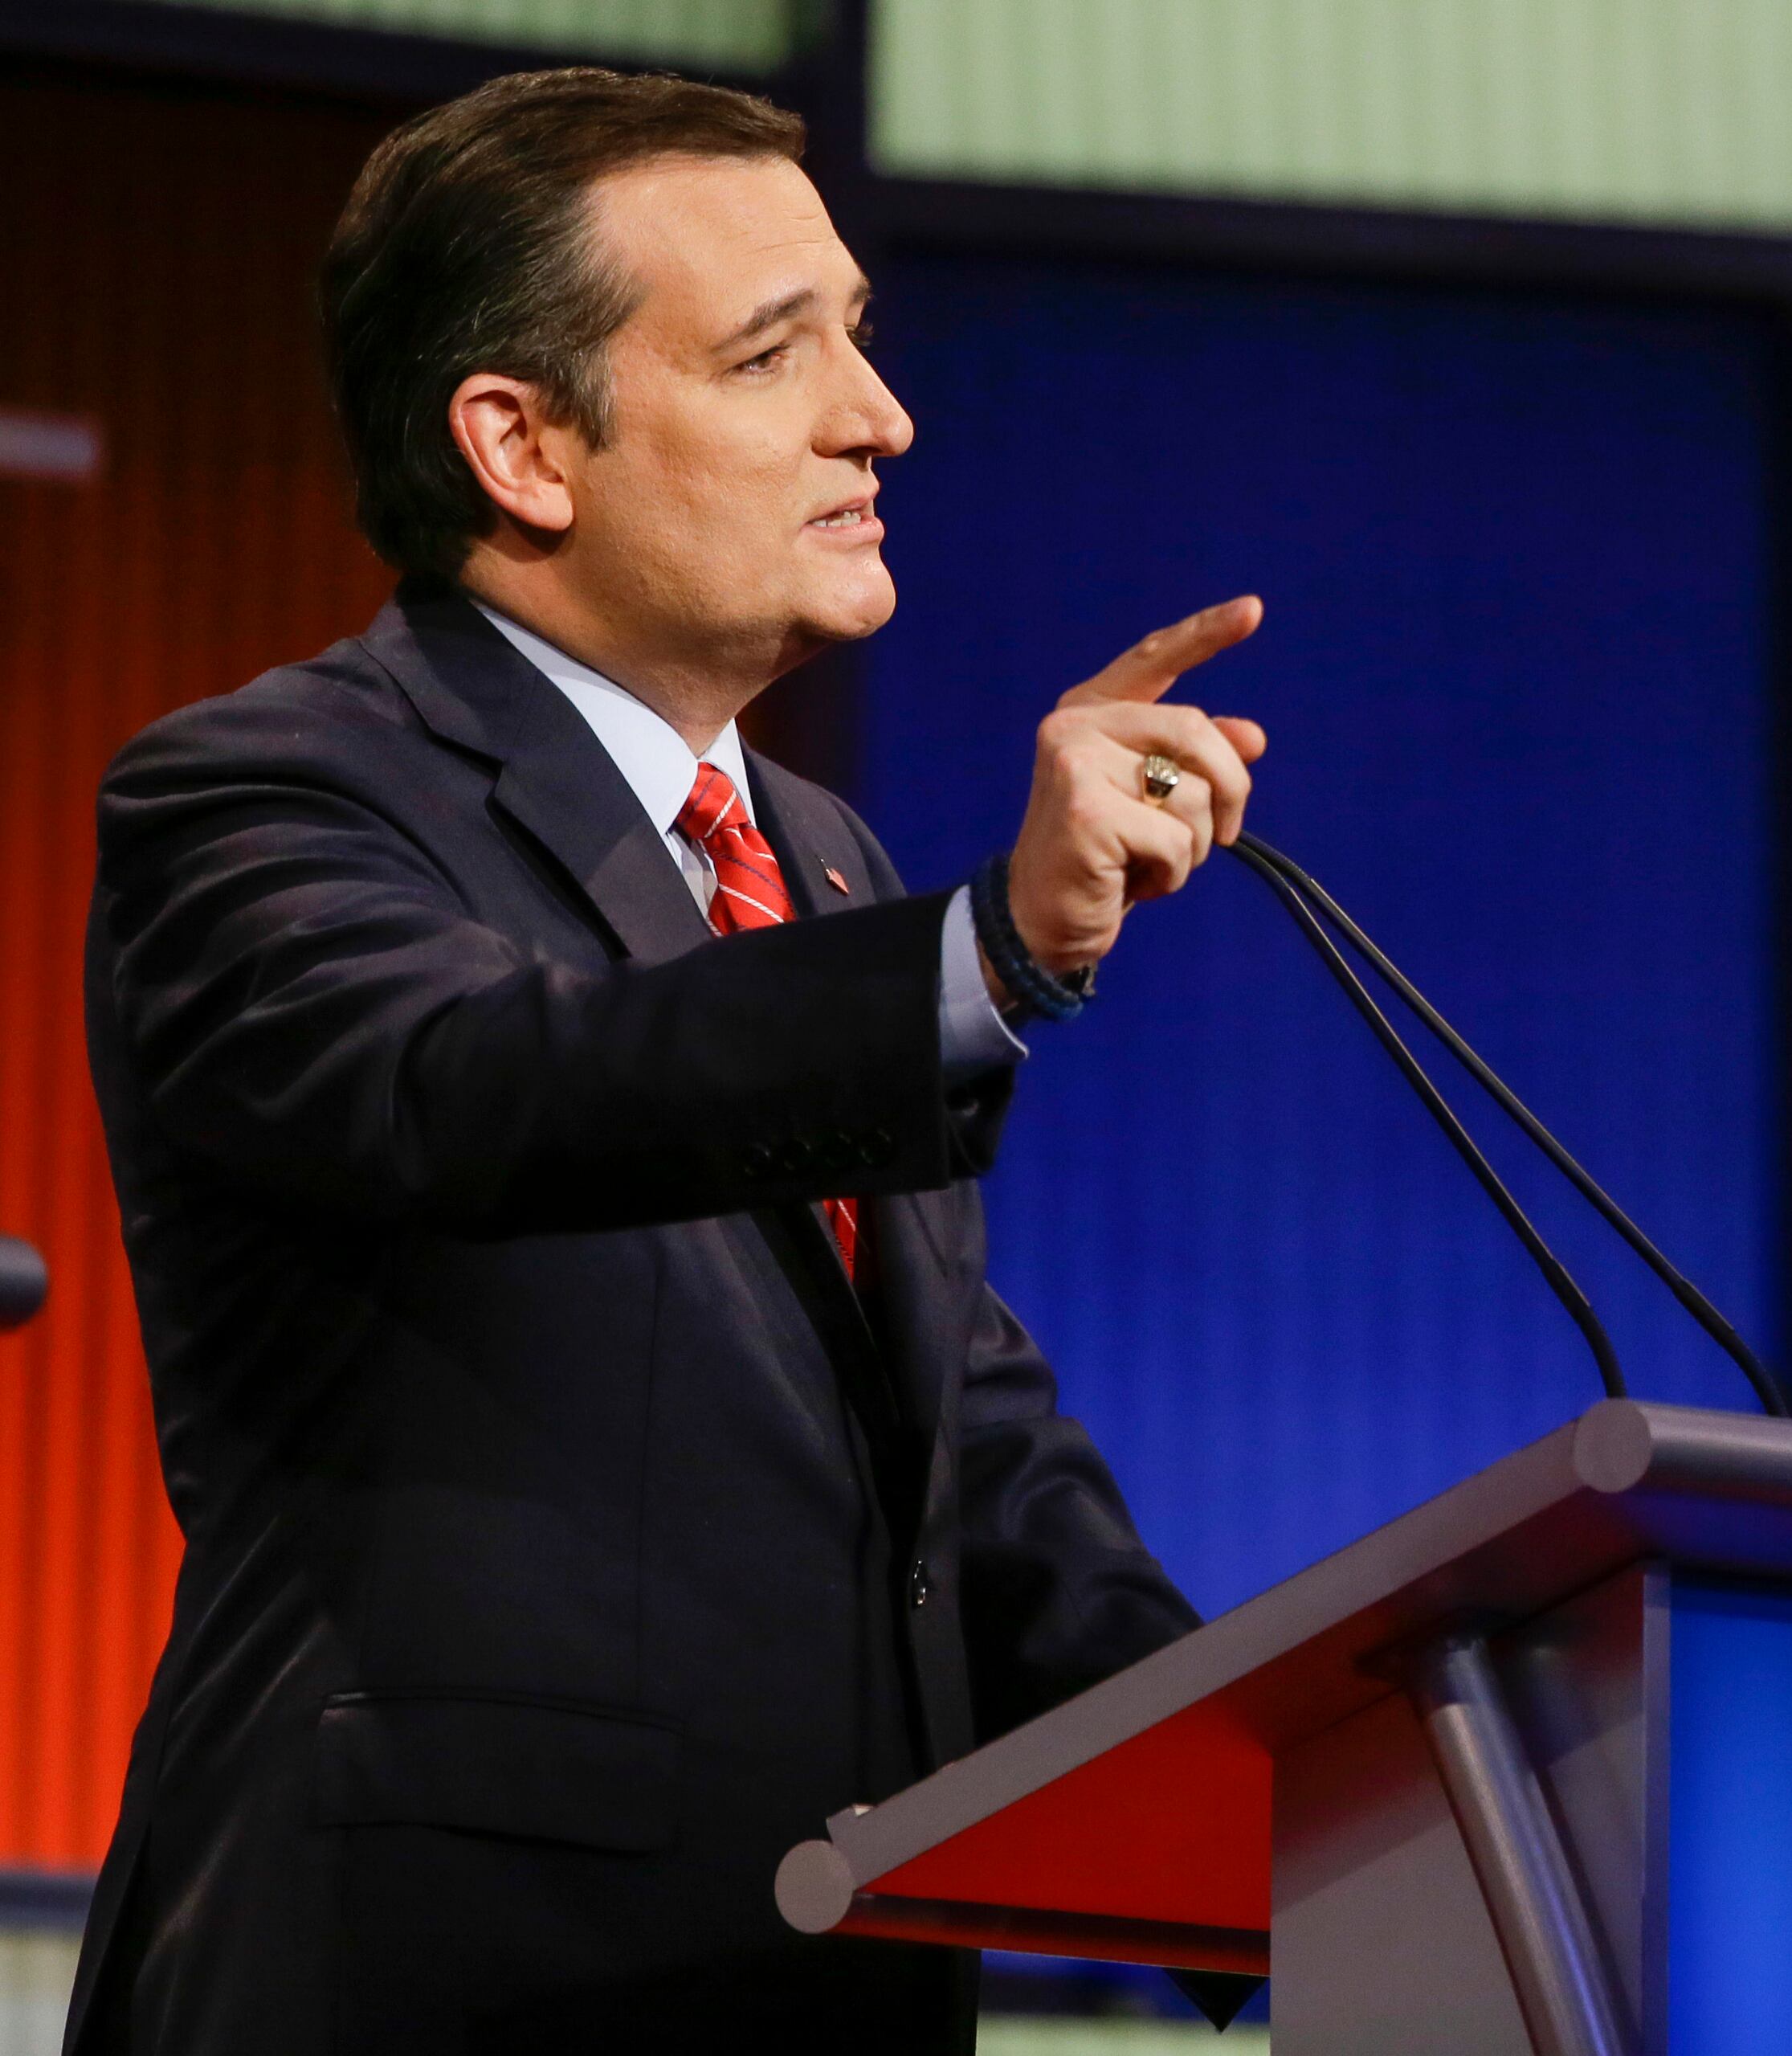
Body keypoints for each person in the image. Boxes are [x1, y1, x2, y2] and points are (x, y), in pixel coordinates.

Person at [71, 69, 1267, 2054]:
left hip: (830, 1984)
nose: (877, 414)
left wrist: (1307, 1865)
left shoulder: (818, 863)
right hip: (433, 1991)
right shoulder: (266, 794)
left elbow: (972, 1467)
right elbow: (491, 1086)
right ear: (523, 445)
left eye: (859, 336)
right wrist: (982, 957)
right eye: (773, 352)